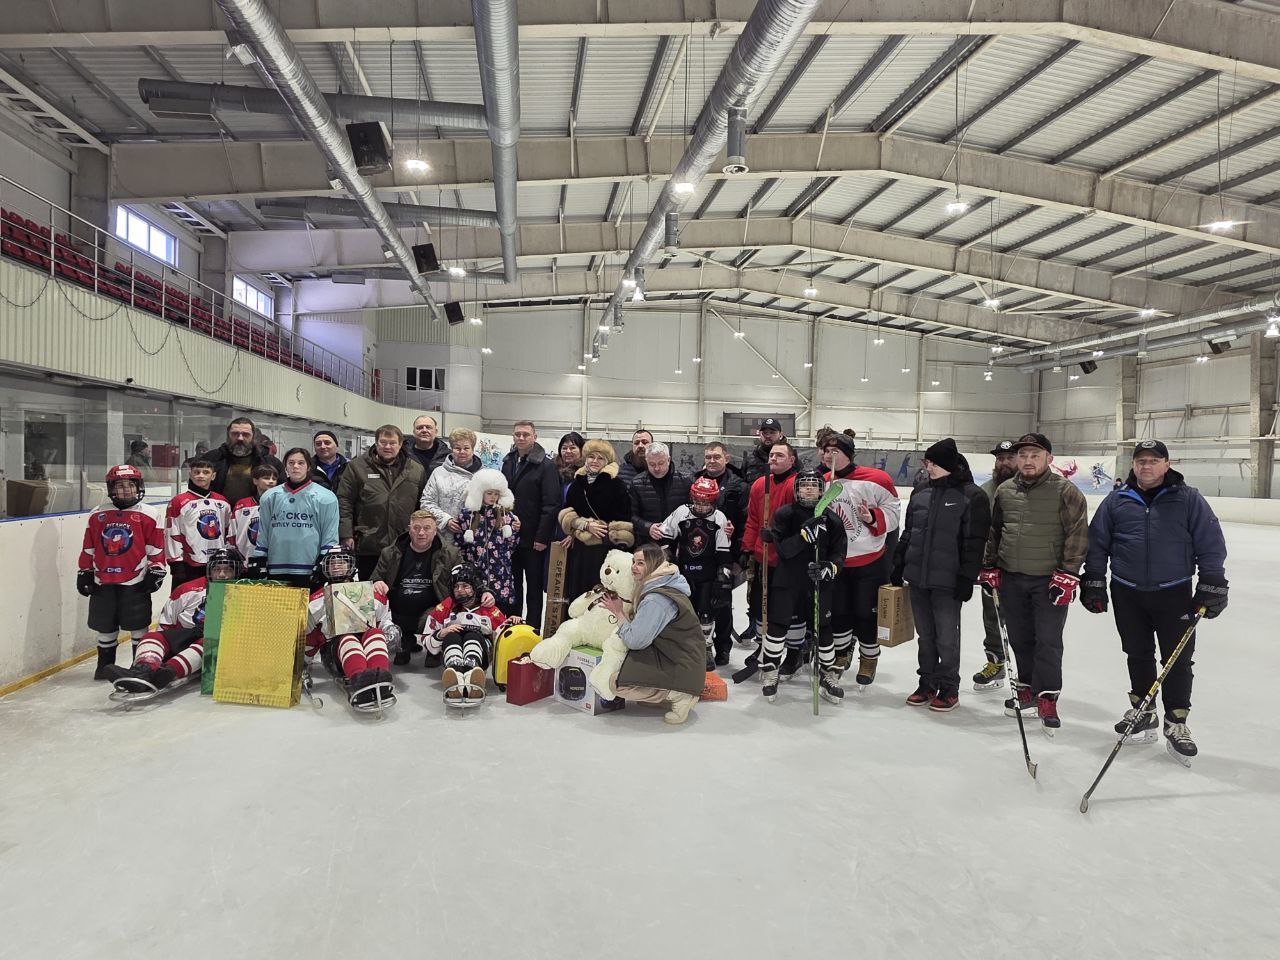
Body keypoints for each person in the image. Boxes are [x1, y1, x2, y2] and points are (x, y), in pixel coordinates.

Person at [1081, 439, 1228, 761]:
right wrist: (1094, 580)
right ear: (1133, 465)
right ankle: (1143, 711)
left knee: (1176, 658)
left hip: (1173, 591)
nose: (1146, 466)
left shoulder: (1188, 499)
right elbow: (1097, 544)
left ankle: (1177, 721)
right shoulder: (1117, 499)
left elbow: (1210, 542)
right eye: (1140, 461)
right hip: (1126, 590)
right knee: (1137, 652)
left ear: (1166, 463)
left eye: (1153, 460)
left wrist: (1212, 581)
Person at [979, 432, 1089, 735]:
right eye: (1023, 455)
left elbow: (1077, 535)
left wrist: (1068, 574)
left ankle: (1047, 696)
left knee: (1049, 641)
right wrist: (989, 566)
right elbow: (995, 532)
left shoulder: (1066, 491)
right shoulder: (1005, 490)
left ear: (1049, 459)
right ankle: (1026, 688)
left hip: (1048, 580)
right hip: (1012, 578)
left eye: (1035, 455)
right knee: (1020, 637)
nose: (1027, 461)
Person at [891, 438, 990, 712]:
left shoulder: (972, 496)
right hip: (918, 578)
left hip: (948, 582)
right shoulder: (921, 491)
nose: (927, 467)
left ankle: (948, 687)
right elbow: (909, 532)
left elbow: (975, 542)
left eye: (932, 463)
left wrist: (966, 578)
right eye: (927, 462)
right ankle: (927, 683)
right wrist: (899, 563)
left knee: (947, 637)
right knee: (926, 636)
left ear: (946, 464)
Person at [758, 468, 847, 703]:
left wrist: (830, 568)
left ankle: (828, 675)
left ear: (822, 490)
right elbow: (785, 551)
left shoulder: (833, 519)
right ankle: (770, 671)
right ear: (796, 489)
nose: (809, 489)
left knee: (824, 628)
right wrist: (803, 536)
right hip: (788, 581)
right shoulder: (784, 514)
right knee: (778, 626)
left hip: (818, 584)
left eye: (814, 485)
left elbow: (840, 554)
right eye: (804, 485)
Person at [820, 431, 900, 688]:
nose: (828, 455)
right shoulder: (822, 482)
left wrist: (872, 517)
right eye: (824, 451)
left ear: (848, 454)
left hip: (870, 561)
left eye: (835, 451)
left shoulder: (877, 479)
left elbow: (894, 512)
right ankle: (841, 654)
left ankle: (869, 658)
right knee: (839, 612)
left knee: (867, 614)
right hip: (837, 561)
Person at [101, 549, 241, 696]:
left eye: (228, 570)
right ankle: (143, 670)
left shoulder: (244, 593)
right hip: (186, 635)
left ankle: (167, 672)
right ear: (209, 570)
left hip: (214, 646)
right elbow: (166, 623)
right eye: (217, 569)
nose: (222, 575)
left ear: (236, 571)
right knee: (152, 637)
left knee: (209, 643)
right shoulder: (187, 589)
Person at [597, 543, 705, 725]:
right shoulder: (665, 583)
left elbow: (635, 641)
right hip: (678, 656)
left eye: (640, 563)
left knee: (616, 682)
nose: (633, 567)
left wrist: (618, 613)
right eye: (633, 561)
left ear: (654, 564)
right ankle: (667, 692)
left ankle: (680, 695)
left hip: (683, 666)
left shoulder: (656, 599)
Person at [78, 465, 167, 680]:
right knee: (106, 627)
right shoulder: (97, 514)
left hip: (135, 580)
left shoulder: (149, 514)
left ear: (138, 487)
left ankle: (139, 666)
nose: (126, 490)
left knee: (138, 627)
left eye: (130, 485)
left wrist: (156, 570)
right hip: (103, 581)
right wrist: (84, 571)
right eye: (120, 485)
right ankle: (104, 666)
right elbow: (89, 547)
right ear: (111, 488)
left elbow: (156, 548)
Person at [305, 546, 398, 711]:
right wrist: (302, 667)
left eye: (341, 562)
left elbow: (384, 619)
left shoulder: (369, 592)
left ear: (351, 565)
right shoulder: (317, 600)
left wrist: (390, 629)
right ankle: (359, 681)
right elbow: (305, 636)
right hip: (335, 656)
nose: (336, 566)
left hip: (366, 647)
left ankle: (380, 679)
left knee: (375, 633)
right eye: (332, 563)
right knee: (347, 637)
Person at [655, 476, 733, 671]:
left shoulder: (720, 518)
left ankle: (706, 648)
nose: (700, 506)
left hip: (708, 575)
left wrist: (723, 580)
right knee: (681, 612)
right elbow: (665, 538)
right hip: (684, 573)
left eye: (705, 502)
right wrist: (666, 562)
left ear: (713, 501)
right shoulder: (681, 512)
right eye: (697, 501)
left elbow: (724, 553)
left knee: (707, 615)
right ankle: (682, 648)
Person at [740, 441, 801, 677]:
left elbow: (801, 522)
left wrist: (783, 540)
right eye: (772, 455)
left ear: (792, 460)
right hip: (762, 557)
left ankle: (794, 653)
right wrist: (747, 548)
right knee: (759, 605)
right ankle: (763, 647)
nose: (773, 458)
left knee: (790, 609)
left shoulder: (796, 484)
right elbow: (753, 520)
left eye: (780, 455)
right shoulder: (759, 484)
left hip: (788, 559)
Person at [372, 511, 463, 667]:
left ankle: (435, 648)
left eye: (427, 528)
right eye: (416, 528)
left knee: (437, 614)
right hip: (397, 611)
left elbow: (466, 579)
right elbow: (374, 579)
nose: (421, 532)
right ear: (409, 529)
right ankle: (404, 641)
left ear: (435, 531)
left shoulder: (451, 554)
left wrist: (485, 591)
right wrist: (376, 582)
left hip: (433, 611)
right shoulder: (390, 553)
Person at [337, 424, 427, 581]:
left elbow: (422, 505)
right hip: (369, 543)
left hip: (404, 544)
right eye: (383, 442)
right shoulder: (357, 467)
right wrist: (346, 534)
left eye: (392, 443)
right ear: (376, 443)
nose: (387, 447)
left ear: (400, 445)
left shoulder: (416, 470)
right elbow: (344, 501)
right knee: (370, 595)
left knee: (400, 594)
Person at [421, 563, 514, 705]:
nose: (460, 590)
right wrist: (441, 633)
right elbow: (426, 639)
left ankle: (473, 674)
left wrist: (513, 622)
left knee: (472, 635)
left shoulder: (488, 608)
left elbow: (504, 637)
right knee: (451, 636)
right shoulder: (445, 607)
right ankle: (455, 673)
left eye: (465, 586)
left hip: (480, 653)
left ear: (475, 586)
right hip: (452, 654)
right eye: (456, 586)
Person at [501, 420, 561, 627]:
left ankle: (533, 629)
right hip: (510, 537)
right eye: (517, 434)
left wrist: (541, 537)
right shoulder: (508, 461)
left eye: (526, 434)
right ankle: (513, 628)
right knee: (512, 586)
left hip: (533, 538)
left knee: (533, 589)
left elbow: (552, 504)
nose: (521, 438)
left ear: (535, 437)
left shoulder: (546, 465)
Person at [558, 439, 635, 604]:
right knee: (578, 596)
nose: (594, 461)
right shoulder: (576, 485)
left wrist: (603, 532)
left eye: (600, 458)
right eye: (591, 456)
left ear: (607, 462)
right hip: (579, 550)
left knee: (601, 595)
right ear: (585, 458)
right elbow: (567, 512)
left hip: (605, 549)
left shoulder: (617, 485)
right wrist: (583, 526)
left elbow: (625, 520)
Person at [251, 448, 340, 587]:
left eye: (301, 463)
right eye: (291, 462)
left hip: (309, 568)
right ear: (285, 466)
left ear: (309, 466)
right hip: (276, 567)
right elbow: (264, 532)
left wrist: (323, 560)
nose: (295, 466)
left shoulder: (326, 497)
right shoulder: (269, 497)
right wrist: (259, 558)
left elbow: (330, 534)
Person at [695, 442, 747, 663]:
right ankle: (699, 647)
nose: (712, 461)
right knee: (698, 602)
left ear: (726, 458)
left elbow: (745, 523)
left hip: (725, 554)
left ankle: (723, 646)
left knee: (722, 601)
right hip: (697, 552)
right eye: (708, 457)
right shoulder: (695, 481)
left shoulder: (739, 486)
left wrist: (738, 558)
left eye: (716, 457)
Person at [972, 440, 1018, 691]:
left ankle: (1028, 676)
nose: (1004, 463)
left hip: (1023, 568)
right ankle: (996, 663)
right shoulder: (985, 490)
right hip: (991, 567)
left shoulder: (1028, 488)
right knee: (992, 617)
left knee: (1024, 623)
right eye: (1000, 459)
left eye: (1009, 458)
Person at [458, 468, 522, 612]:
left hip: (500, 572)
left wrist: (502, 557)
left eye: (496, 493)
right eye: (489, 493)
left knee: (498, 614)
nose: (493, 497)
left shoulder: (507, 516)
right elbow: (460, 542)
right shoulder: (467, 516)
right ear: (480, 492)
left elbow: (513, 543)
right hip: (475, 570)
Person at [163, 458, 232, 589]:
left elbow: (228, 531)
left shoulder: (222, 501)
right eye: (197, 472)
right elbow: (171, 532)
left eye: (206, 472)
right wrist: (175, 562)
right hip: (188, 564)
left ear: (213, 476)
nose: (201, 475)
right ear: (190, 474)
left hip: (217, 563)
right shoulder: (179, 501)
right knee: (186, 601)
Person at [420, 426, 483, 543]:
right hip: (441, 537)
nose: (462, 452)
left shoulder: (484, 475)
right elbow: (426, 502)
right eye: (457, 448)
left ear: (473, 449)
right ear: (451, 449)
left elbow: (494, 504)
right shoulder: (438, 473)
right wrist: (445, 520)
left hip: (473, 539)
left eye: (466, 448)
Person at [206, 416, 283, 505]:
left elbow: (282, 492)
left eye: (246, 434)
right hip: (218, 513)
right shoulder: (212, 459)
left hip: (256, 514)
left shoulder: (271, 462)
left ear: (253, 437)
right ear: (228, 435)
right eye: (235, 434)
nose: (240, 438)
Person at [628, 441, 692, 547]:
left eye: (661, 463)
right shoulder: (636, 483)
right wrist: (648, 527)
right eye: (652, 464)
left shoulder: (686, 481)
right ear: (646, 461)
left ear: (669, 459)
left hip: (680, 542)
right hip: (649, 543)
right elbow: (631, 515)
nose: (657, 468)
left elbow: (694, 511)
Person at [227, 464, 278, 561]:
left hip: (273, 560)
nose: (271, 481)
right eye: (266, 478)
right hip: (245, 559)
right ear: (255, 481)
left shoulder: (280, 504)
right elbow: (232, 533)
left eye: (274, 479)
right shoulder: (241, 505)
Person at [404, 414, 451, 481]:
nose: (424, 430)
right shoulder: (402, 453)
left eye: (428, 427)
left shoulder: (448, 456)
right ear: (414, 432)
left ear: (436, 432)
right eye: (420, 427)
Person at [740, 418, 785, 486]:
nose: (768, 436)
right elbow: (741, 485)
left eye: (772, 432)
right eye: (765, 433)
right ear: (760, 435)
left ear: (780, 435)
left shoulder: (789, 458)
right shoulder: (750, 459)